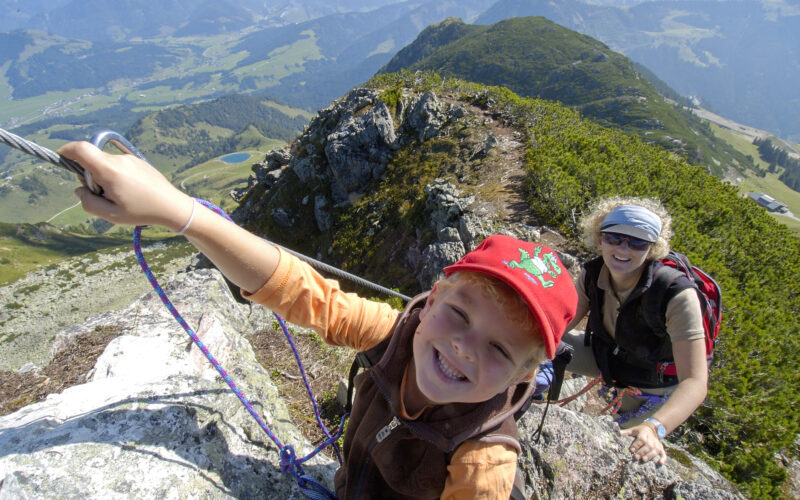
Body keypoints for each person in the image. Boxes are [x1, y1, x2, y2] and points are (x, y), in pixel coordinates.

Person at [58, 141, 578, 500]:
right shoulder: (396, 332)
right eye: (460, 313)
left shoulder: (483, 460)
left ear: (523, 377)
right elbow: (297, 289)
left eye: (499, 350)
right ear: (434, 294)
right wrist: (176, 211)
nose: (465, 347)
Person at [561, 197, 708, 466]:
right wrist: (528, 356)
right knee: (536, 346)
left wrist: (655, 428)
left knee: (617, 446)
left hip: (653, 386)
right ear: (599, 239)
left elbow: (696, 382)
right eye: (614, 237)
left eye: (638, 242)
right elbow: (557, 324)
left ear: (652, 249)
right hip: (607, 358)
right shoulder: (593, 275)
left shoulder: (676, 295)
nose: (623, 249)